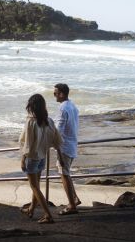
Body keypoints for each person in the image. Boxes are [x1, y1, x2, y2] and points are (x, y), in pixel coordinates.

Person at [19, 93, 63, 224]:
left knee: (34, 186)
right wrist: (60, 156)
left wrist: (22, 159)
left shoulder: (31, 121)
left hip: (32, 158)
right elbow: (57, 139)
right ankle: (31, 209)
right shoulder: (48, 121)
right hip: (43, 157)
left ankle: (48, 215)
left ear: (31, 106)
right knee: (36, 186)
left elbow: (27, 144)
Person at [54, 83, 81, 215]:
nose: (54, 95)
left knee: (64, 175)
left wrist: (54, 145)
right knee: (66, 173)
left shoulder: (62, 108)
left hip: (64, 147)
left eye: (55, 93)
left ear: (62, 94)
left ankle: (71, 205)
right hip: (72, 144)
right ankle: (74, 199)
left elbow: (59, 130)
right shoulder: (73, 106)